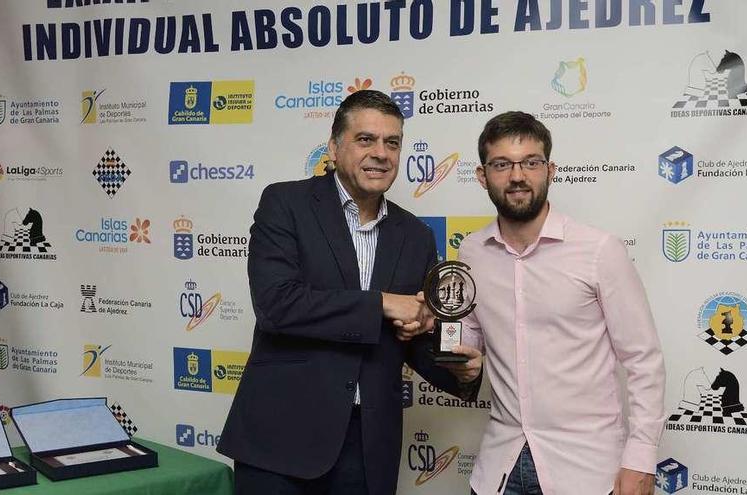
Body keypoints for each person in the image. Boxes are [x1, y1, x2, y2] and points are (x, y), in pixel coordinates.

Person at [217, 90, 481, 495]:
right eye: (365, 139)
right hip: (280, 441)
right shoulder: (285, 203)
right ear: (334, 148)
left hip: (367, 445)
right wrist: (381, 303)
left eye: (392, 142)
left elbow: (406, 337)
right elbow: (276, 304)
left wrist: (458, 370)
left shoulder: (415, 235)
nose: (381, 153)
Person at [453, 111, 665, 495]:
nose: (517, 176)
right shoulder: (471, 252)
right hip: (498, 469)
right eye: (501, 164)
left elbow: (643, 360)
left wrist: (640, 458)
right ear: (482, 176)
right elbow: (470, 337)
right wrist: (453, 349)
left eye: (531, 163)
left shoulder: (600, 250)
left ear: (550, 170)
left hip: (585, 472)